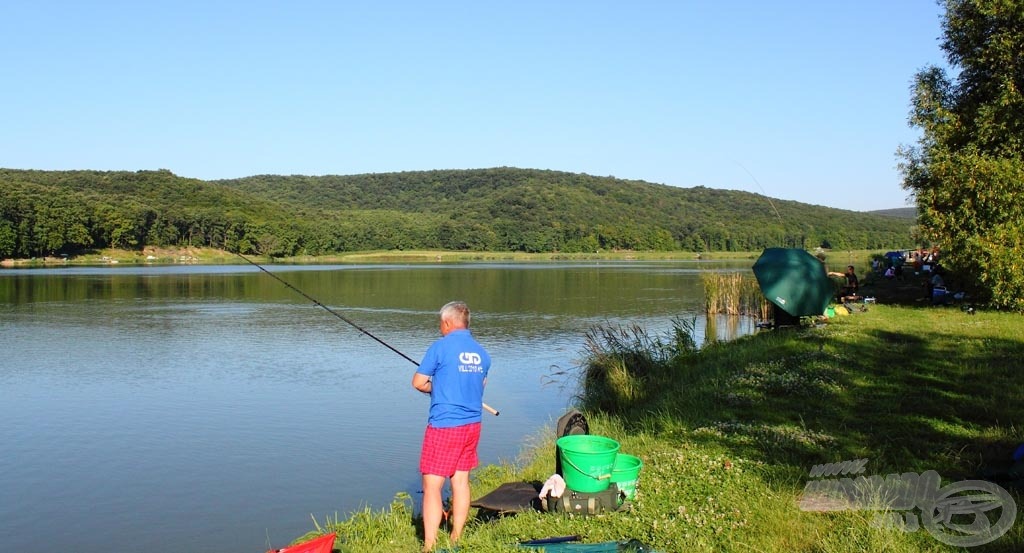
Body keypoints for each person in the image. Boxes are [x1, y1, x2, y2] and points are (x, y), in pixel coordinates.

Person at [412, 301, 491, 552]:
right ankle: (457, 536)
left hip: (445, 425)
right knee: (460, 482)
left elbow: (418, 382)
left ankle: (429, 545)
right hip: (472, 425)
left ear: (447, 322)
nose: (439, 327)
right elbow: (481, 385)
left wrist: (437, 387)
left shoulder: (440, 347)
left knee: (432, 486)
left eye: (440, 323)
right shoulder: (482, 353)